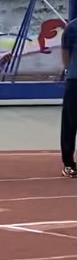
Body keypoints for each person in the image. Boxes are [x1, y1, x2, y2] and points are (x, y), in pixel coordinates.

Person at [60, 16, 77, 178]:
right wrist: (69, 70)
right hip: (75, 80)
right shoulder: (72, 28)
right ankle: (68, 163)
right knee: (70, 122)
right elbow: (65, 52)